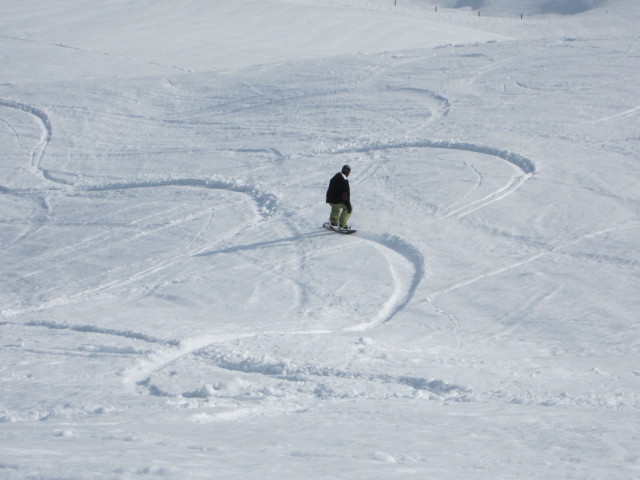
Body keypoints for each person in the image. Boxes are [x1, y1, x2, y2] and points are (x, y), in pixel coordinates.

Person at [326, 164, 352, 229]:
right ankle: (342, 224)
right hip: (336, 201)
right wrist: (348, 205)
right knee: (348, 208)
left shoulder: (335, 177)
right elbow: (345, 195)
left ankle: (333, 222)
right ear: (348, 172)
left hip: (330, 201)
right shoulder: (344, 180)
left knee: (335, 208)